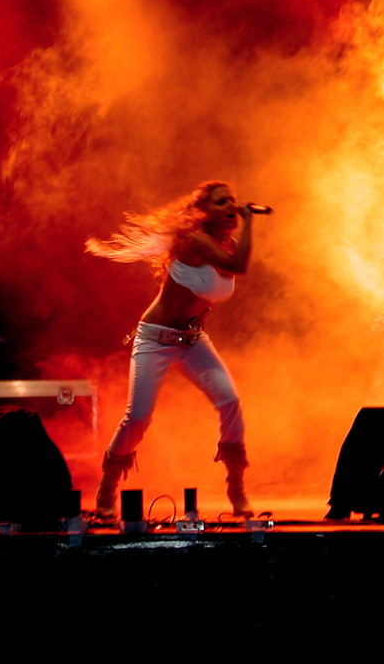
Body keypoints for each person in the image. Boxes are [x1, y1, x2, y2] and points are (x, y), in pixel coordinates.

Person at [85, 181, 265, 518]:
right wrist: (252, 220)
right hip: (155, 339)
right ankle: (107, 487)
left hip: (192, 341)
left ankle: (236, 487)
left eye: (233, 201)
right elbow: (239, 266)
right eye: (221, 202)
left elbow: (227, 272)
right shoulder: (195, 242)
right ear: (204, 211)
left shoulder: (229, 245)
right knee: (138, 418)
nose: (231, 207)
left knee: (230, 402)